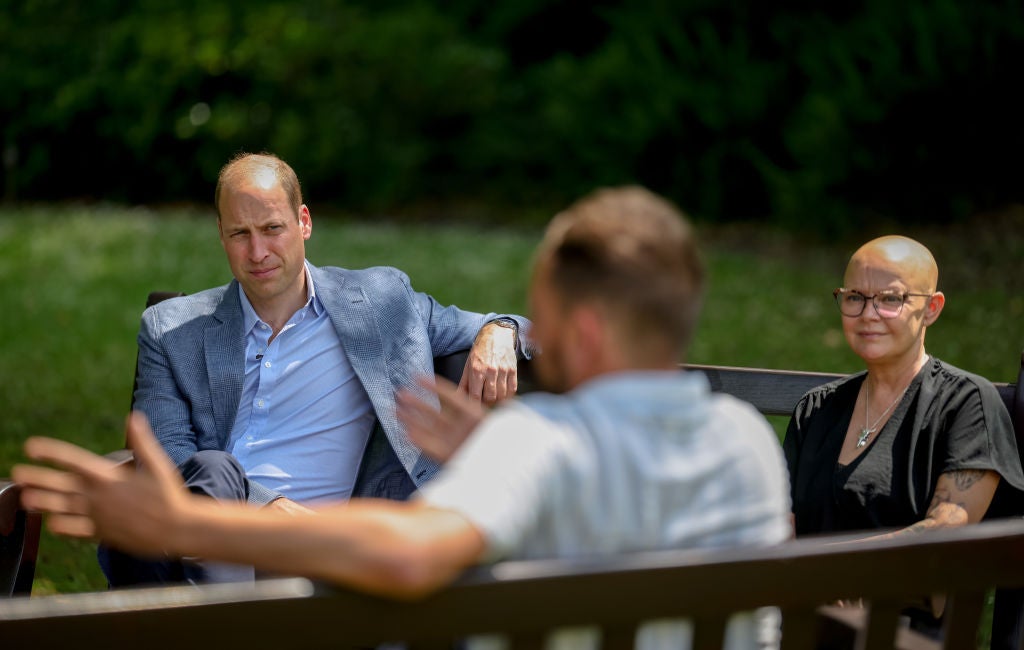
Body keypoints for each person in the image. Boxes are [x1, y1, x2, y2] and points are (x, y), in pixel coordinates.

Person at [16, 186, 791, 647]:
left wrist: (186, 527)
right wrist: (494, 450)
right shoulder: (748, 442)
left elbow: (411, 558)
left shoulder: (541, 447)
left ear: (581, 332)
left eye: (541, 312)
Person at [101, 152, 532, 585]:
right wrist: (264, 507)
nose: (258, 252)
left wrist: (500, 329)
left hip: (341, 549)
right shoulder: (172, 328)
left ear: (303, 221)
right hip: (215, 536)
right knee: (206, 475)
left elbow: (522, 328)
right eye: (240, 234)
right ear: (221, 235)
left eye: (272, 229)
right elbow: (167, 457)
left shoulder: (380, 301)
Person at [782, 235, 1024, 638]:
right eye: (855, 296)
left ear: (931, 308)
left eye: (890, 299)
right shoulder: (816, 410)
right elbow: (776, 531)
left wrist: (823, 568)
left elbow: (945, 534)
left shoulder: (965, 405)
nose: (868, 313)